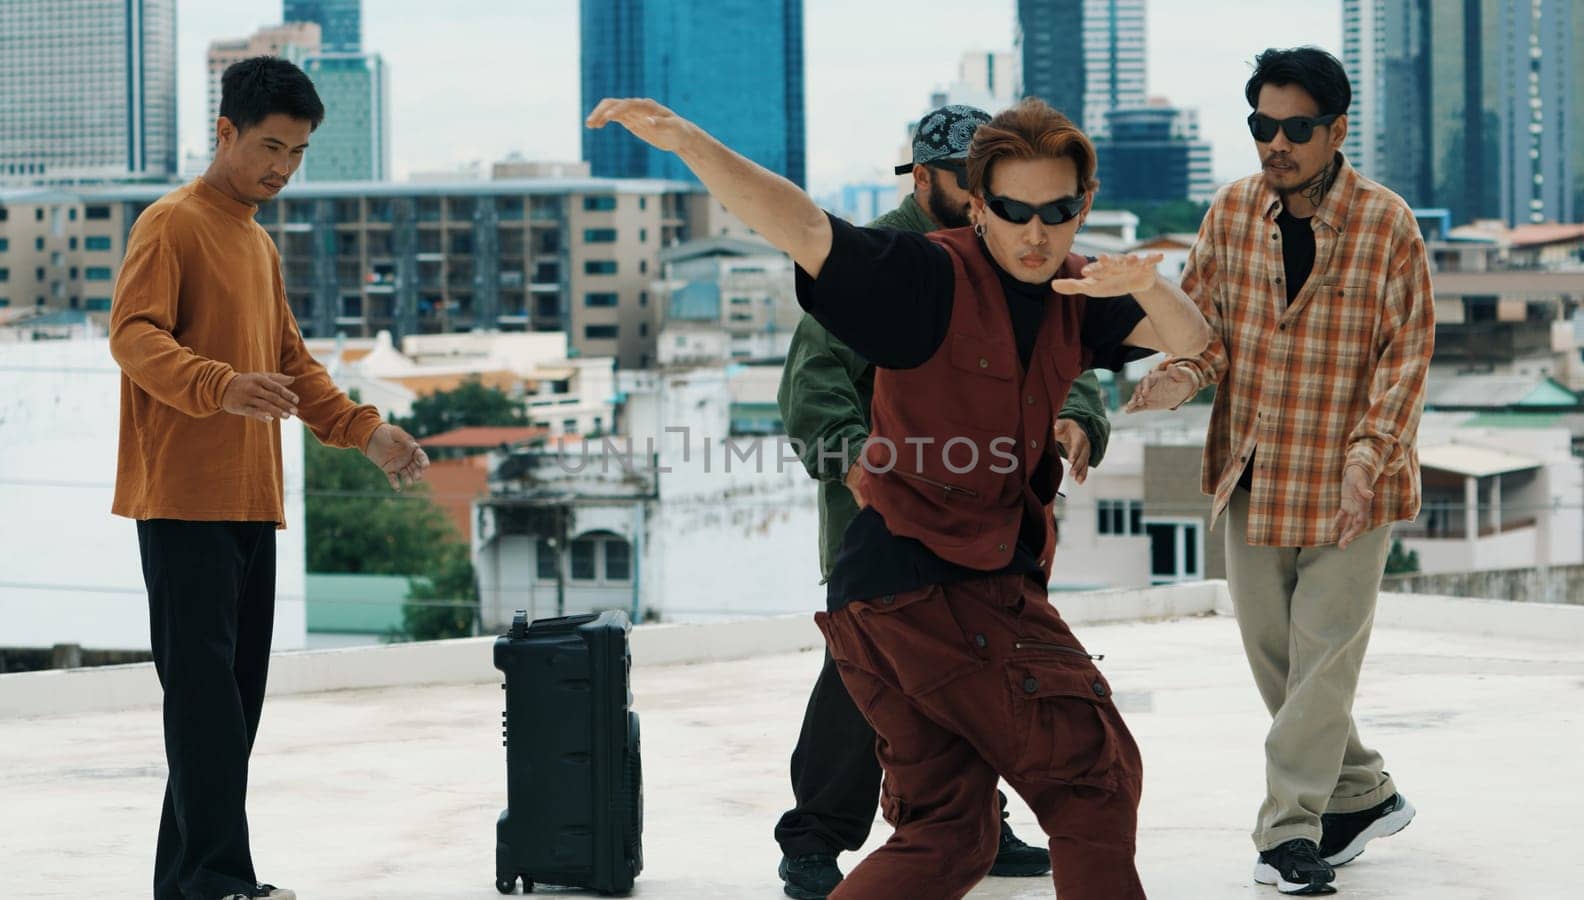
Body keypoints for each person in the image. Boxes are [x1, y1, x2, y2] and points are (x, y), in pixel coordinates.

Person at [589, 94, 1212, 900]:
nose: (1034, 233)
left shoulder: (1074, 288)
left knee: (951, 834)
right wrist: (688, 141)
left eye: (1055, 213)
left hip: (892, 592)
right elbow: (804, 228)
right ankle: (814, 833)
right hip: (936, 582)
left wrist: (1142, 288)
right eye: (1013, 211)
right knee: (1092, 778)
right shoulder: (923, 274)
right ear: (977, 204)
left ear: (1082, 205)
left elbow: (1192, 340)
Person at [772, 103, 1114, 899]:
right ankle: (817, 835)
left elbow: (1077, 347)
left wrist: (1079, 416)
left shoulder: (1017, 249)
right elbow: (813, 387)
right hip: (887, 527)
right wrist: (860, 468)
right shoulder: (886, 258)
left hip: (994, 525)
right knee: (864, 683)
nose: (991, 201)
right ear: (926, 178)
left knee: (990, 671)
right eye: (974, 185)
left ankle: (974, 824)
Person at [108, 56, 430, 900]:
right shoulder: (171, 223)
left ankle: (188, 881)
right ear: (226, 133)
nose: (283, 167)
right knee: (207, 708)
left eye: (299, 152)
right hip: (181, 500)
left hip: (252, 500)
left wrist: (368, 433)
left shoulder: (255, 240)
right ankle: (220, 882)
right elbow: (133, 337)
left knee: (231, 708)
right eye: (271, 146)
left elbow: (292, 365)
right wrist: (218, 384)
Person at [1126, 46, 1430, 896]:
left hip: (1349, 483)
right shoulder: (1229, 213)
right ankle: (1363, 788)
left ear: (1336, 130)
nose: (1276, 143)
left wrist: (1370, 459)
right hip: (1254, 469)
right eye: (1263, 125)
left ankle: (1289, 832)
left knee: (1324, 661)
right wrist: (1175, 378)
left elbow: (1406, 359)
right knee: (1282, 663)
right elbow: (1205, 336)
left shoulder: (1386, 223)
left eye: (1296, 128)